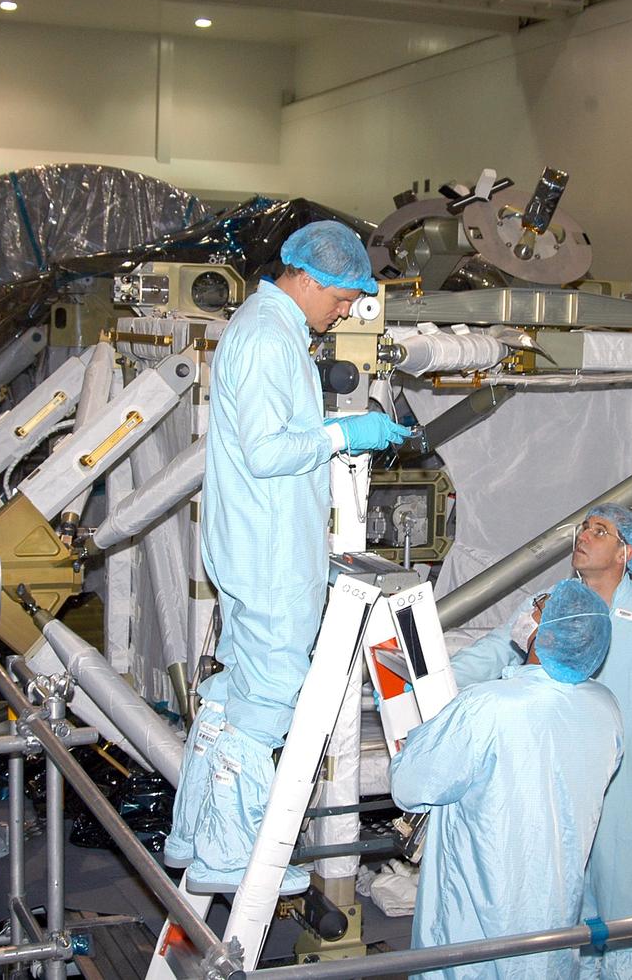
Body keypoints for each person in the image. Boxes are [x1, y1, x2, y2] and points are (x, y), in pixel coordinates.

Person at [164, 220, 410, 893]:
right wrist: (344, 431)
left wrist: (330, 433)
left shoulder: (261, 327)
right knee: (270, 697)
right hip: (270, 553)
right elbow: (272, 452)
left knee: (237, 688)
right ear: (310, 277)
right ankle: (228, 857)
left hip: (250, 544)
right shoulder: (272, 338)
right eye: (343, 296)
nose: (345, 310)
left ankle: (193, 833)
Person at [451, 503, 632, 979]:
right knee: (564, 904)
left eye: (599, 530)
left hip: (629, 784)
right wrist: (429, 678)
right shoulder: (551, 606)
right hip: (560, 779)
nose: (584, 535)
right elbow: (496, 649)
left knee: (627, 908)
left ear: (626, 552)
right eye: (584, 527)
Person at [390, 579, 624, 979]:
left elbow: (410, 786)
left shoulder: (488, 707)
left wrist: (416, 733)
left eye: (540, 604)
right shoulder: (606, 708)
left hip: (475, 922)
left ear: (542, 632)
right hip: (553, 913)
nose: (529, 607)